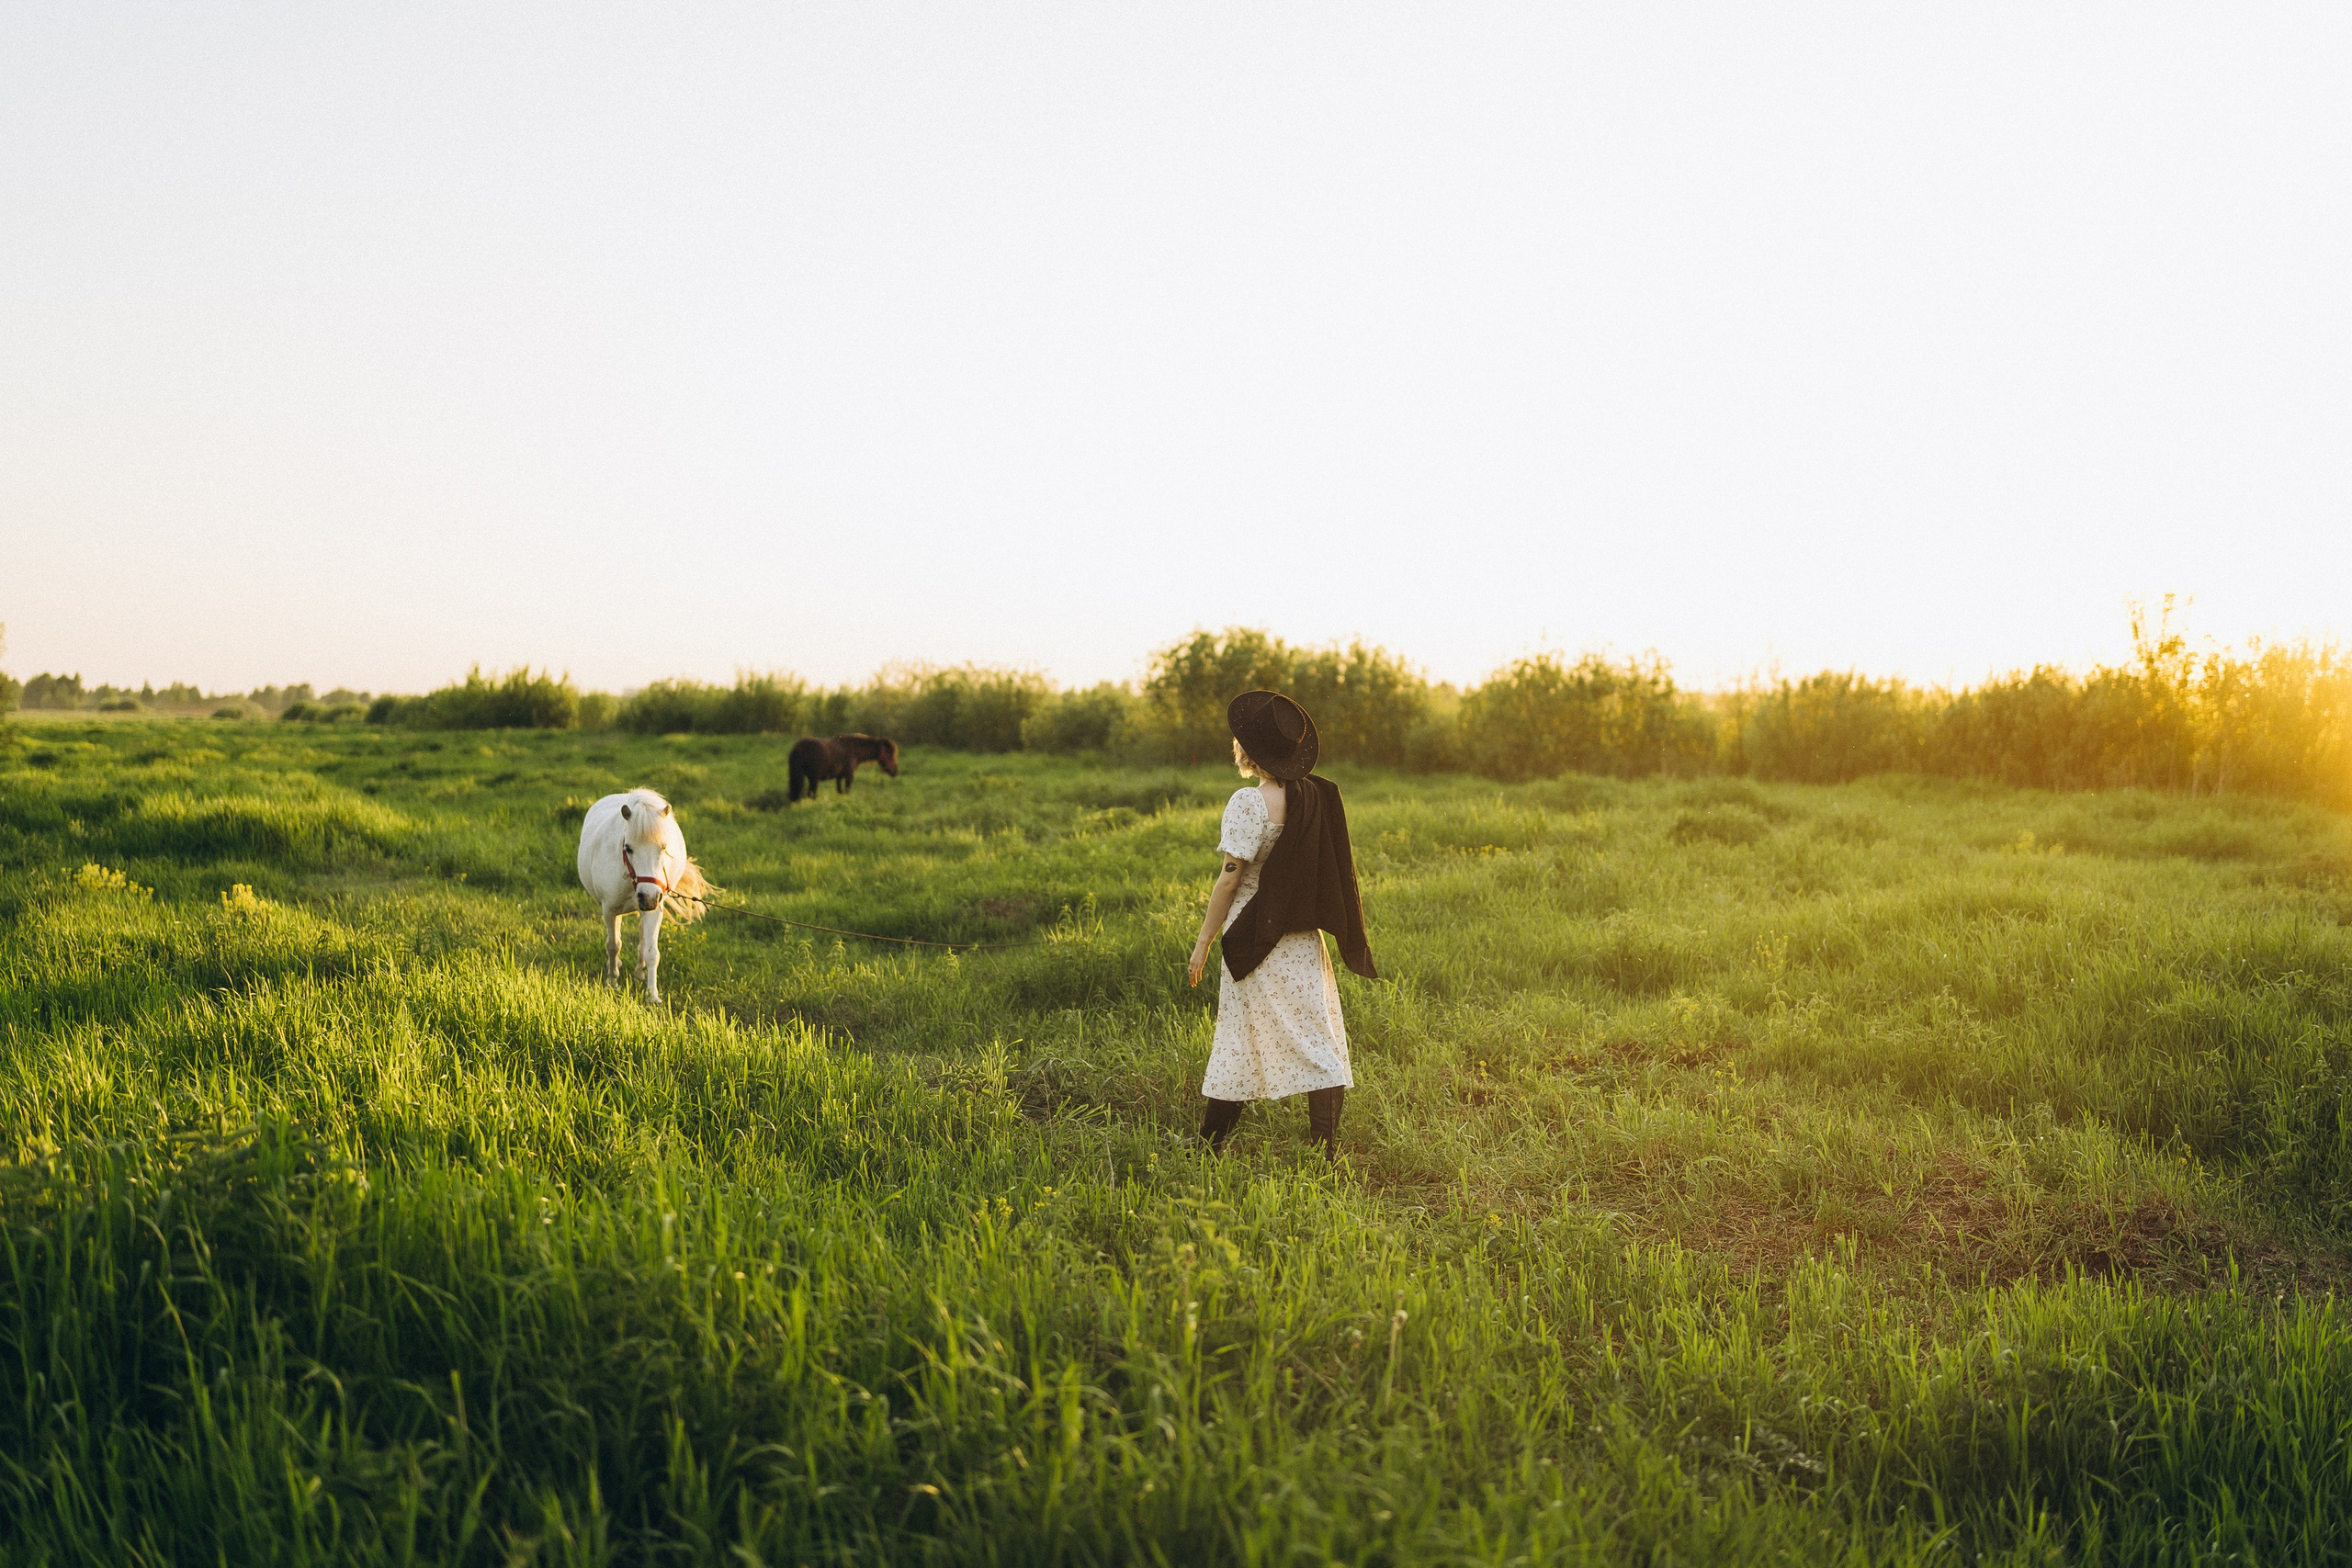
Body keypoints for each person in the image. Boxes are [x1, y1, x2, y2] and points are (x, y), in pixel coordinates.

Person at [1186, 690, 1377, 1158]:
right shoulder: (1316, 795)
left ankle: (1207, 1149)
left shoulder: (1249, 804)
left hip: (1254, 935)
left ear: (1249, 750)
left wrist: (1203, 941)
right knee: (1320, 1043)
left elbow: (1231, 879)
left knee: (1238, 1038)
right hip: (1302, 942)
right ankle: (1325, 1151)